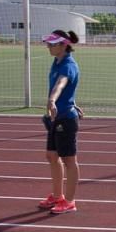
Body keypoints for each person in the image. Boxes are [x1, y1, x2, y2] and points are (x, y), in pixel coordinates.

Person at [37, 29, 81, 214]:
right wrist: (72, 102)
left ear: (63, 45)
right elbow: (68, 87)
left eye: (52, 44)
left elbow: (61, 84)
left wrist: (52, 100)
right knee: (51, 156)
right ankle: (57, 196)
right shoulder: (57, 61)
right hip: (56, 117)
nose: (48, 46)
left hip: (65, 119)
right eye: (48, 43)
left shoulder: (67, 65)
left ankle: (69, 201)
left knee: (69, 160)